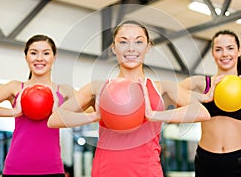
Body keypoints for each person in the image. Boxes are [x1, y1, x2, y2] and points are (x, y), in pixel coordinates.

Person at [47, 20, 211, 177]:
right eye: (123, 42)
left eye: (138, 42)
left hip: (147, 173)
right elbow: (54, 119)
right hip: (105, 172)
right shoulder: (98, 87)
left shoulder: (162, 88)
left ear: (148, 46)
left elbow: (202, 113)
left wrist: (155, 115)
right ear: (113, 48)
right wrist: (94, 116)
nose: (131, 48)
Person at [179, 30, 241, 177]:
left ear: (239, 51)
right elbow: (171, 96)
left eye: (230, 48)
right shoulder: (202, 83)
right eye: (218, 49)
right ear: (213, 53)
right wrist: (204, 97)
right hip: (207, 161)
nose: (224, 54)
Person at [0, 34, 75, 176]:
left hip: (52, 169)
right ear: (26, 57)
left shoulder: (65, 91)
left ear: (54, 57)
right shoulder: (15, 87)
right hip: (16, 168)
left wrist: (60, 114)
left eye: (46, 53)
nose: (39, 58)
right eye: (33, 53)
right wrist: (13, 112)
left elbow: (92, 112)